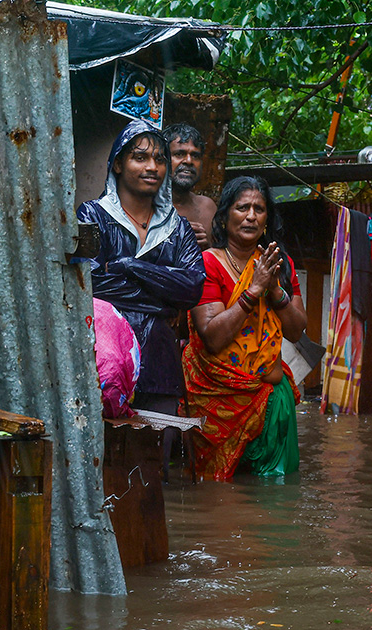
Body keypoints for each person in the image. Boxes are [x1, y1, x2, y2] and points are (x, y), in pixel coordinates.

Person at [181, 176, 307, 480]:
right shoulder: (207, 264)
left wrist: (275, 291)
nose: (251, 215)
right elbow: (212, 337)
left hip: (272, 401)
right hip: (217, 400)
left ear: (267, 220)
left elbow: (296, 331)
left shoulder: (281, 264)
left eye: (259, 209)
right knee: (219, 498)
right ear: (224, 218)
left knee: (275, 497)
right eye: (242, 208)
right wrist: (253, 291)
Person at [78, 120, 205, 420]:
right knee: (106, 457)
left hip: (159, 363)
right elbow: (91, 284)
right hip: (104, 362)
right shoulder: (92, 215)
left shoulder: (178, 227)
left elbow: (192, 287)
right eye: (140, 157)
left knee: (154, 458)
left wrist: (129, 266)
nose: (152, 167)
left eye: (160, 160)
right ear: (119, 164)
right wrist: (163, 302)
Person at [164, 123, 216, 251]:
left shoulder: (207, 208)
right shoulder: (144, 206)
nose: (189, 161)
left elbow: (220, 260)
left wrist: (205, 249)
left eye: (195, 156)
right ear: (162, 159)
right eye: (179, 154)